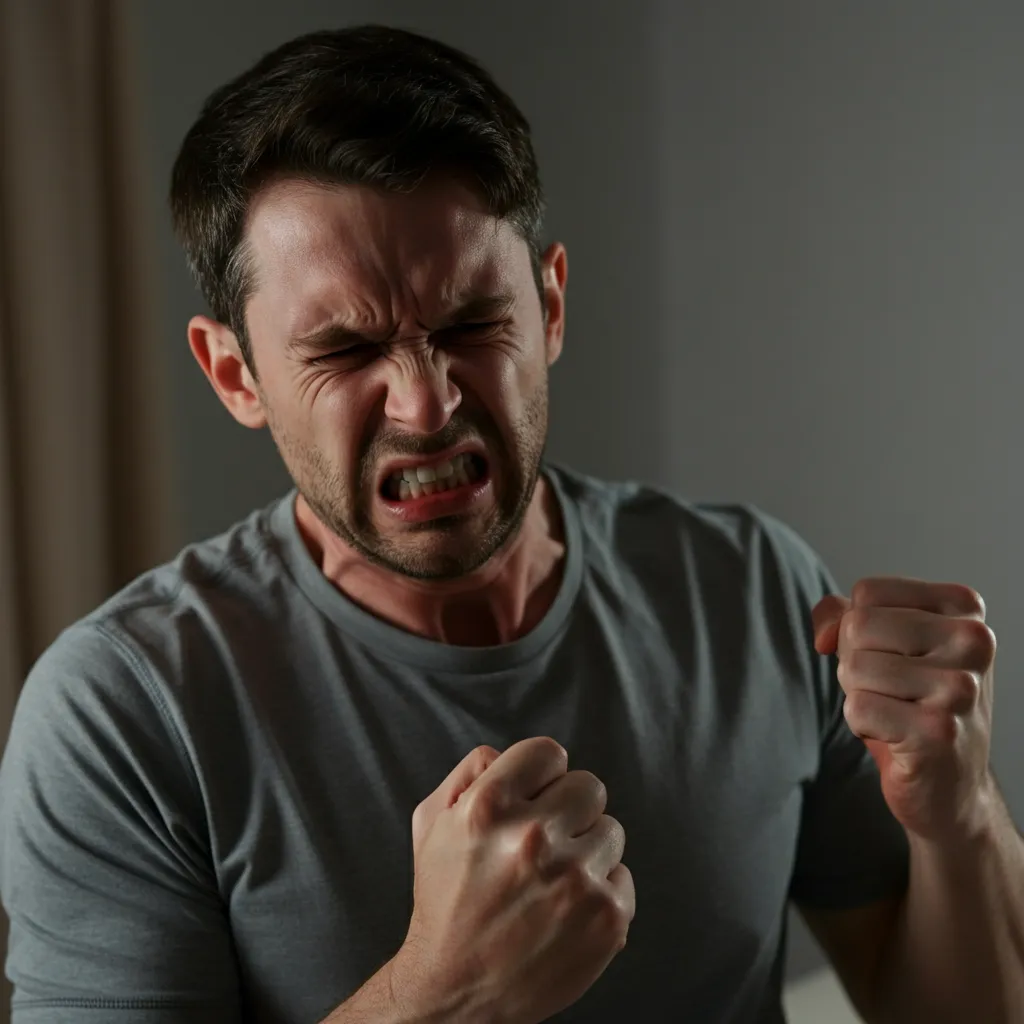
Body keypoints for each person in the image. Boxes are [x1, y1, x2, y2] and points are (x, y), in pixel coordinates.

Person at [0, 22, 1020, 1024]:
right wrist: (442, 996)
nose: (425, 402)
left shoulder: (751, 589)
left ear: (551, 306)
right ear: (235, 375)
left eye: (470, 324)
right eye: (347, 349)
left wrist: (962, 818)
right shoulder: (123, 716)